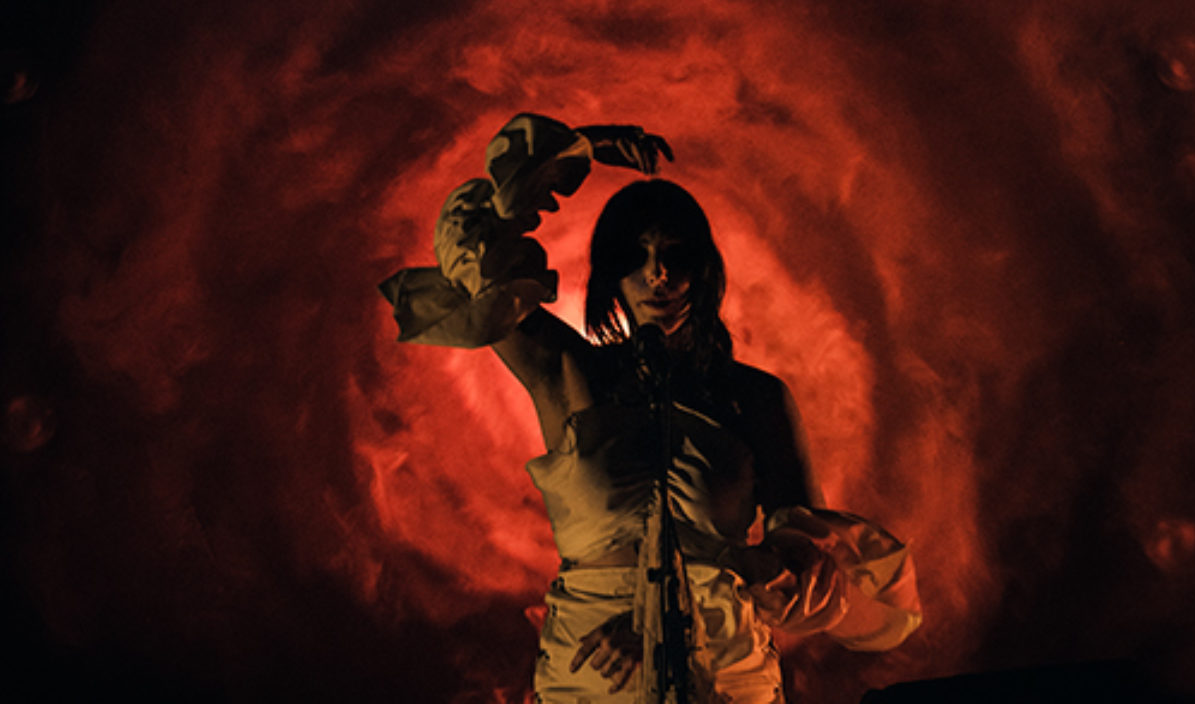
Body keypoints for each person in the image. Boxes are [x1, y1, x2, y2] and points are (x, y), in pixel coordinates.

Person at [380, 113, 922, 703]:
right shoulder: (568, 373)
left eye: (675, 255)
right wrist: (578, 149)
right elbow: (470, 253)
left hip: (722, 670)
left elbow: (806, 573)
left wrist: (671, 624)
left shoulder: (756, 398)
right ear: (610, 275)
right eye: (635, 258)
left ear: (703, 268)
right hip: (592, 677)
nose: (658, 275)